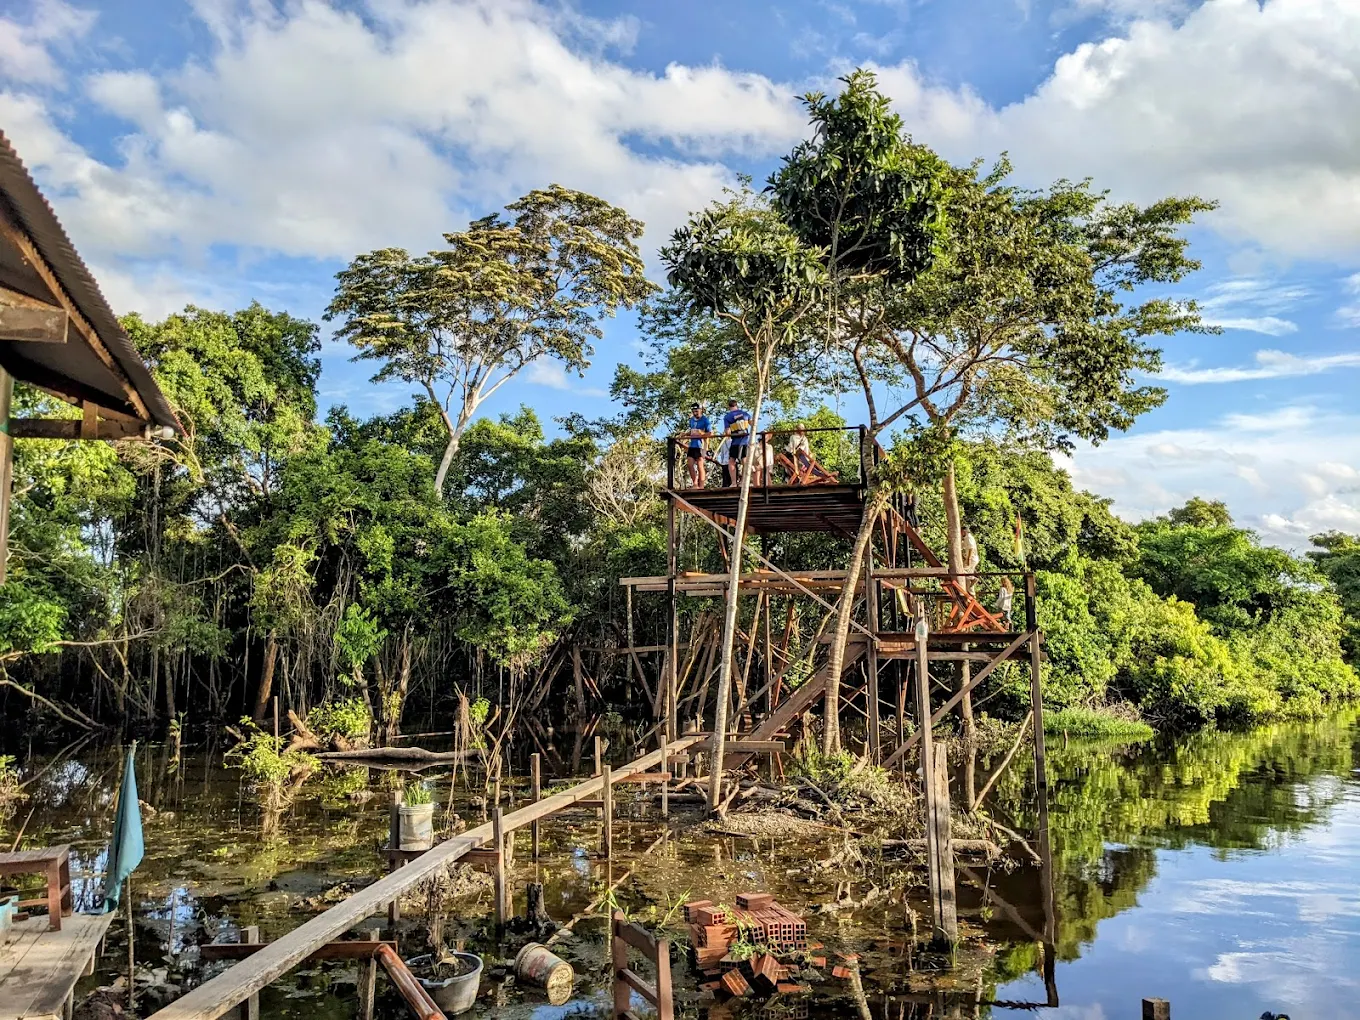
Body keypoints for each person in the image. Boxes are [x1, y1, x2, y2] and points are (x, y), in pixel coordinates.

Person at [722, 398, 751, 485]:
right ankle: (744, 481)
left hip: (735, 441)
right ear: (736, 405)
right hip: (745, 440)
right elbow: (753, 423)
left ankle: (734, 482)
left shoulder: (728, 417)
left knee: (731, 461)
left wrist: (727, 434)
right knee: (744, 460)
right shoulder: (745, 414)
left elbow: (727, 432)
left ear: (729, 407)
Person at [685, 402, 710, 488]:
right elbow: (691, 431)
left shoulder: (705, 420)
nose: (695, 413)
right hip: (692, 445)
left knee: (700, 465)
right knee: (689, 464)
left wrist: (701, 433)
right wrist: (684, 434)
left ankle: (702, 486)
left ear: (700, 410)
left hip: (701, 445)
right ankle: (695, 483)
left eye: (696, 411)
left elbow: (710, 433)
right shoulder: (691, 420)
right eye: (693, 411)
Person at [960, 524, 979, 592]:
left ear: (964, 531)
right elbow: (962, 547)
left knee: (962, 571)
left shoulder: (969, 537)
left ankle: (973, 579)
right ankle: (970, 591)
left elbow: (971, 548)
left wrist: (968, 559)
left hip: (972, 558)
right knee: (967, 573)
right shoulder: (965, 538)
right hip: (971, 558)